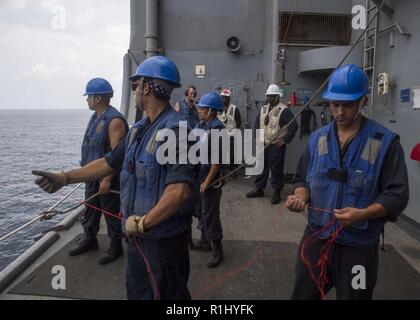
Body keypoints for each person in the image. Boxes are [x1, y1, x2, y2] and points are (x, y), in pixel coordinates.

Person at [33, 55, 196, 300]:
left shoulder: (178, 132)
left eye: (135, 85)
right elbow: (107, 163)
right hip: (136, 237)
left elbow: (179, 192)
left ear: (147, 87)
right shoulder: (138, 131)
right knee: (138, 294)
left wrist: (143, 222)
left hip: (162, 244)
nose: (134, 91)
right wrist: (64, 177)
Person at [285, 64, 409, 300]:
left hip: (358, 248)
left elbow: (396, 195)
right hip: (316, 239)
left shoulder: (385, 143)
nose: (340, 112)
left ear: (363, 100)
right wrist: (300, 197)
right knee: (302, 295)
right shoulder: (317, 139)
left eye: (348, 105)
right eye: (334, 104)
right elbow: (302, 179)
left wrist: (363, 214)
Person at [71, 78, 128, 265]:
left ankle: (115, 246)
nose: (87, 100)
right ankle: (90, 238)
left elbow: (116, 155)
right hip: (92, 177)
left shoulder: (114, 121)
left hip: (106, 178)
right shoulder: (96, 116)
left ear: (98, 98)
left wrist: (107, 179)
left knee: (110, 211)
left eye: (89, 97)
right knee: (91, 209)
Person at [246, 84, 298, 204]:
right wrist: (257, 138)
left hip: (275, 145)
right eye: (268, 96)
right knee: (261, 167)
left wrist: (284, 140)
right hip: (263, 144)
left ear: (277, 96)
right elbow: (257, 123)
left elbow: (294, 126)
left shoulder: (284, 110)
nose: (270, 98)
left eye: (272, 96)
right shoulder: (263, 109)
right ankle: (259, 189)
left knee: (276, 169)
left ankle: (276, 192)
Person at [191, 92, 226, 268]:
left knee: (210, 213)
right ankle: (205, 241)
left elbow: (217, 161)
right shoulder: (202, 125)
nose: (199, 110)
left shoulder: (218, 129)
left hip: (211, 179)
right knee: (200, 210)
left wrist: (207, 182)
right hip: (200, 175)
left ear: (211, 111)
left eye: (202, 108)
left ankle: (217, 250)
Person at [218, 88, 242, 178]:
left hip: (232, 135)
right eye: (223, 97)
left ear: (229, 98)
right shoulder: (218, 108)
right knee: (221, 154)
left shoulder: (234, 109)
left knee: (233, 154)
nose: (224, 99)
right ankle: (222, 170)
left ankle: (233, 170)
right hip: (221, 136)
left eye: (226, 98)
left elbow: (239, 122)